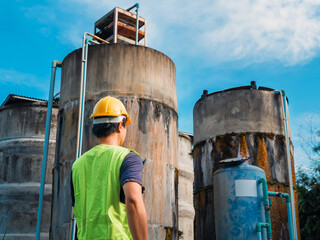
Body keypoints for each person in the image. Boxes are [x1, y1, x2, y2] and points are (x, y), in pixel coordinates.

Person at [71, 96, 148, 240]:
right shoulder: (128, 158)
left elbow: (79, 214)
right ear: (120, 125)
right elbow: (133, 200)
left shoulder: (77, 165)